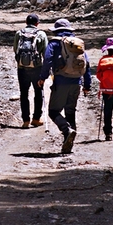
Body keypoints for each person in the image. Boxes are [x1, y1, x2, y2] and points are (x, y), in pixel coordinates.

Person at [37, 18, 91, 154]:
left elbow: (47, 59)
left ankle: (67, 131)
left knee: (53, 111)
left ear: (57, 30)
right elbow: (86, 64)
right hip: (76, 82)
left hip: (61, 81)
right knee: (70, 111)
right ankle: (69, 141)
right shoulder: (78, 44)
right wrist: (87, 85)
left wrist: (42, 77)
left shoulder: (55, 43)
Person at [13, 13, 48, 128]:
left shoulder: (19, 33)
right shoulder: (41, 34)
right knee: (38, 93)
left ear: (26, 22)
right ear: (37, 23)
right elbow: (45, 53)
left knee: (24, 94)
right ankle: (36, 119)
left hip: (22, 69)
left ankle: (25, 120)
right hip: (37, 68)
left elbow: (15, 49)